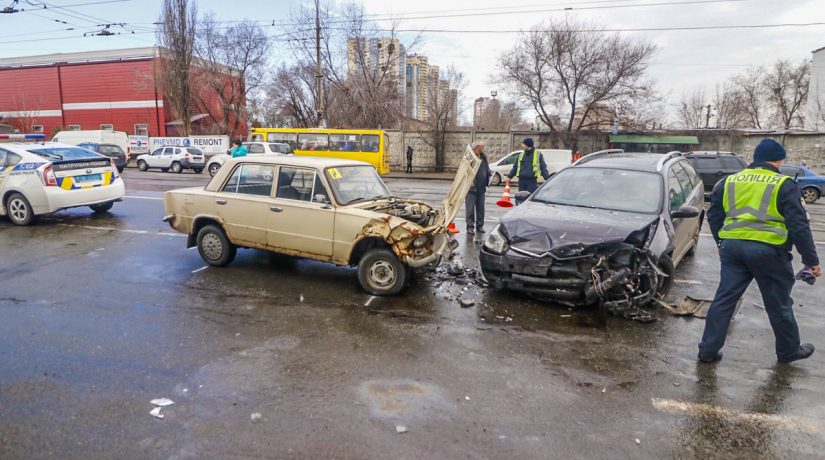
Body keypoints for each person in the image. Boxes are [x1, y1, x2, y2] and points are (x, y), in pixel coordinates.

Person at [698, 139, 820, 364]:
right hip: (769, 252)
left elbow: (714, 216)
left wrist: (722, 243)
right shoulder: (783, 184)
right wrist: (811, 261)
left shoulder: (729, 181)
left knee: (724, 300)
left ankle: (707, 351)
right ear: (778, 160)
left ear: (755, 159)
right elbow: (798, 225)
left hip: (732, 249)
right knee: (779, 304)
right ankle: (788, 351)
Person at [507, 138, 550, 204]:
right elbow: (515, 167)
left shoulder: (537, 154)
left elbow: (543, 167)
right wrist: (509, 176)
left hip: (531, 181)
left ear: (528, 145)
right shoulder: (521, 154)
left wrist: (547, 178)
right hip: (522, 181)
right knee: (520, 199)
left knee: (530, 199)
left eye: (523, 144)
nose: (522, 145)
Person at [465, 141, 492, 235]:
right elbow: (465, 170)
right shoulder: (469, 157)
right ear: (477, 148)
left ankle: (480, 226)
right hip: (471, 189)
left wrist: (489, 172)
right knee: (470, 209)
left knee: (481, 208)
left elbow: (486, 167)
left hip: (481, 188)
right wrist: (469, 180)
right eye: (482, 146)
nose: (483, 148)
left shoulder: (483, 157)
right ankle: (470, 227)